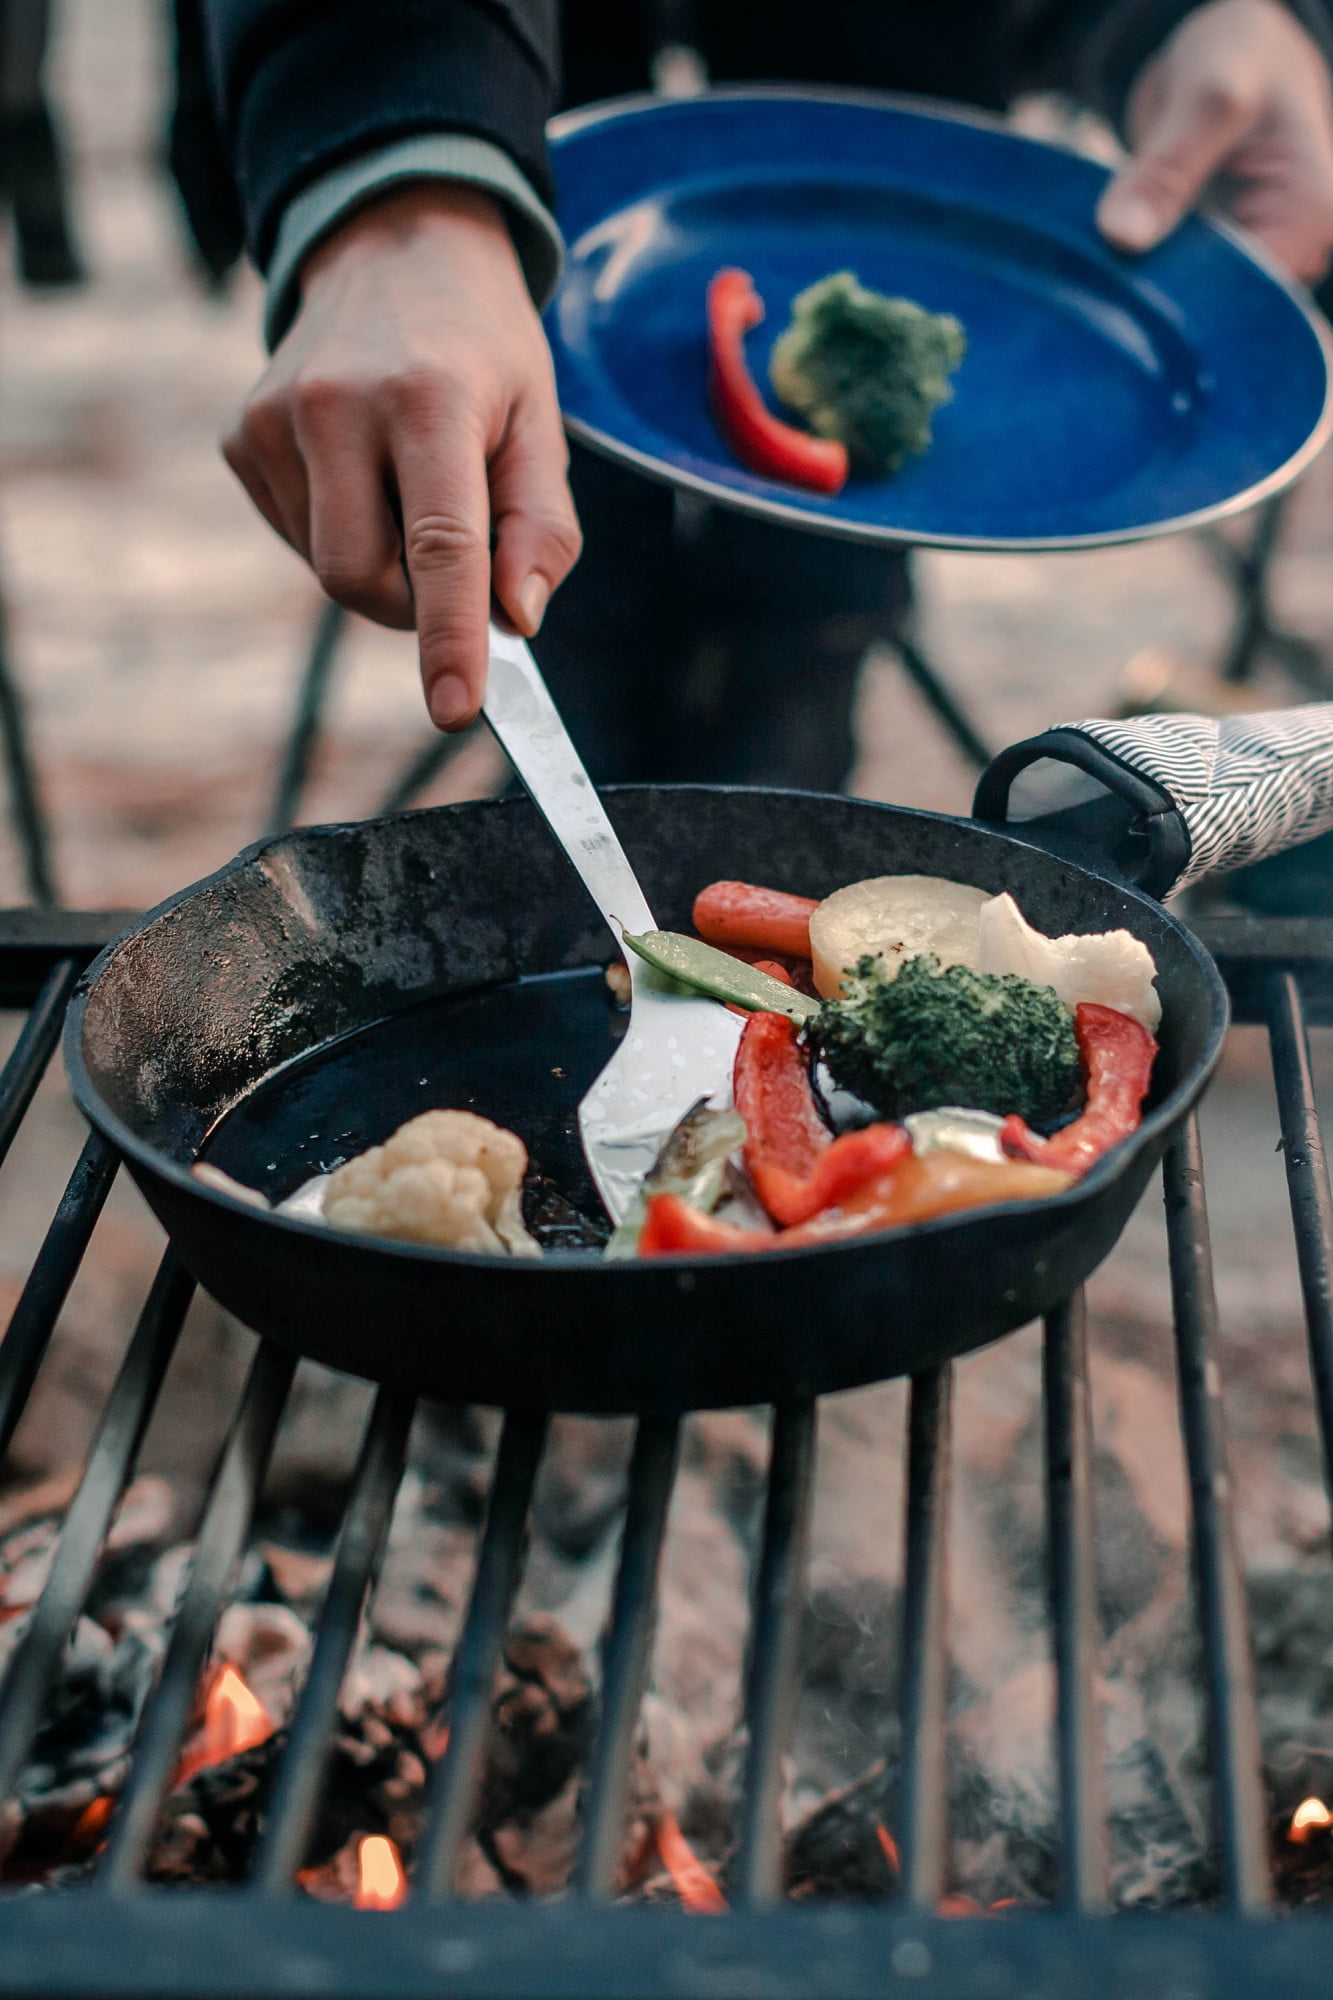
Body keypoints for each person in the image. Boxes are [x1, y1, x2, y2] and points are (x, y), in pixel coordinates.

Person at [190, 0, 1333, 777]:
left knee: (810, 601)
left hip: (888, 62)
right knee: (563, 532)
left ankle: (802, 682)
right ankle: (594, 710)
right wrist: (396, 143)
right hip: (495, 83)